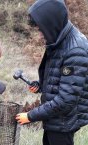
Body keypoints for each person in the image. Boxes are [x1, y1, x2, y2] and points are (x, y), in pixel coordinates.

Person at [15, 0, 88, 145]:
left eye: (41, 29)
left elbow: (66, 100)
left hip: (63, 122)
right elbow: (59, 78)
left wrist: (30, 116)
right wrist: (41, 85)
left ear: (51, 23)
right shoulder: (59, 40)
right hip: (55, 119)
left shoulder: (75, 50)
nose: (40, 34)